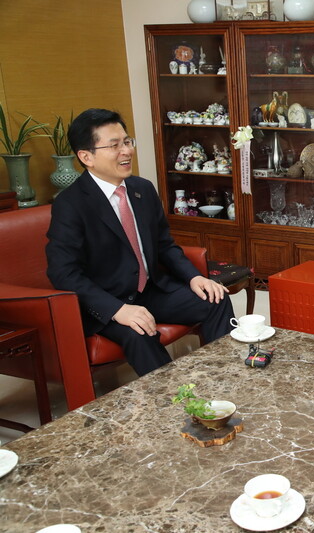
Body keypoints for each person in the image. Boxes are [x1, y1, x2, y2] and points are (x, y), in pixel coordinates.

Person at [46, 108, 234, 376]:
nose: (126, 151)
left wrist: (194, 277)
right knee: (139, 332)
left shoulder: (141, 189)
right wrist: (117, 310)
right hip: (109, 303)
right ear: (86, 156)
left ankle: (227, 377)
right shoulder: (70, 204)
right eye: (114, 145)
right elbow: (62, 273)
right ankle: (175, 401)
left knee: (215, 298)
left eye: (126, 141)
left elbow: (163, 244)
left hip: (151, 290)